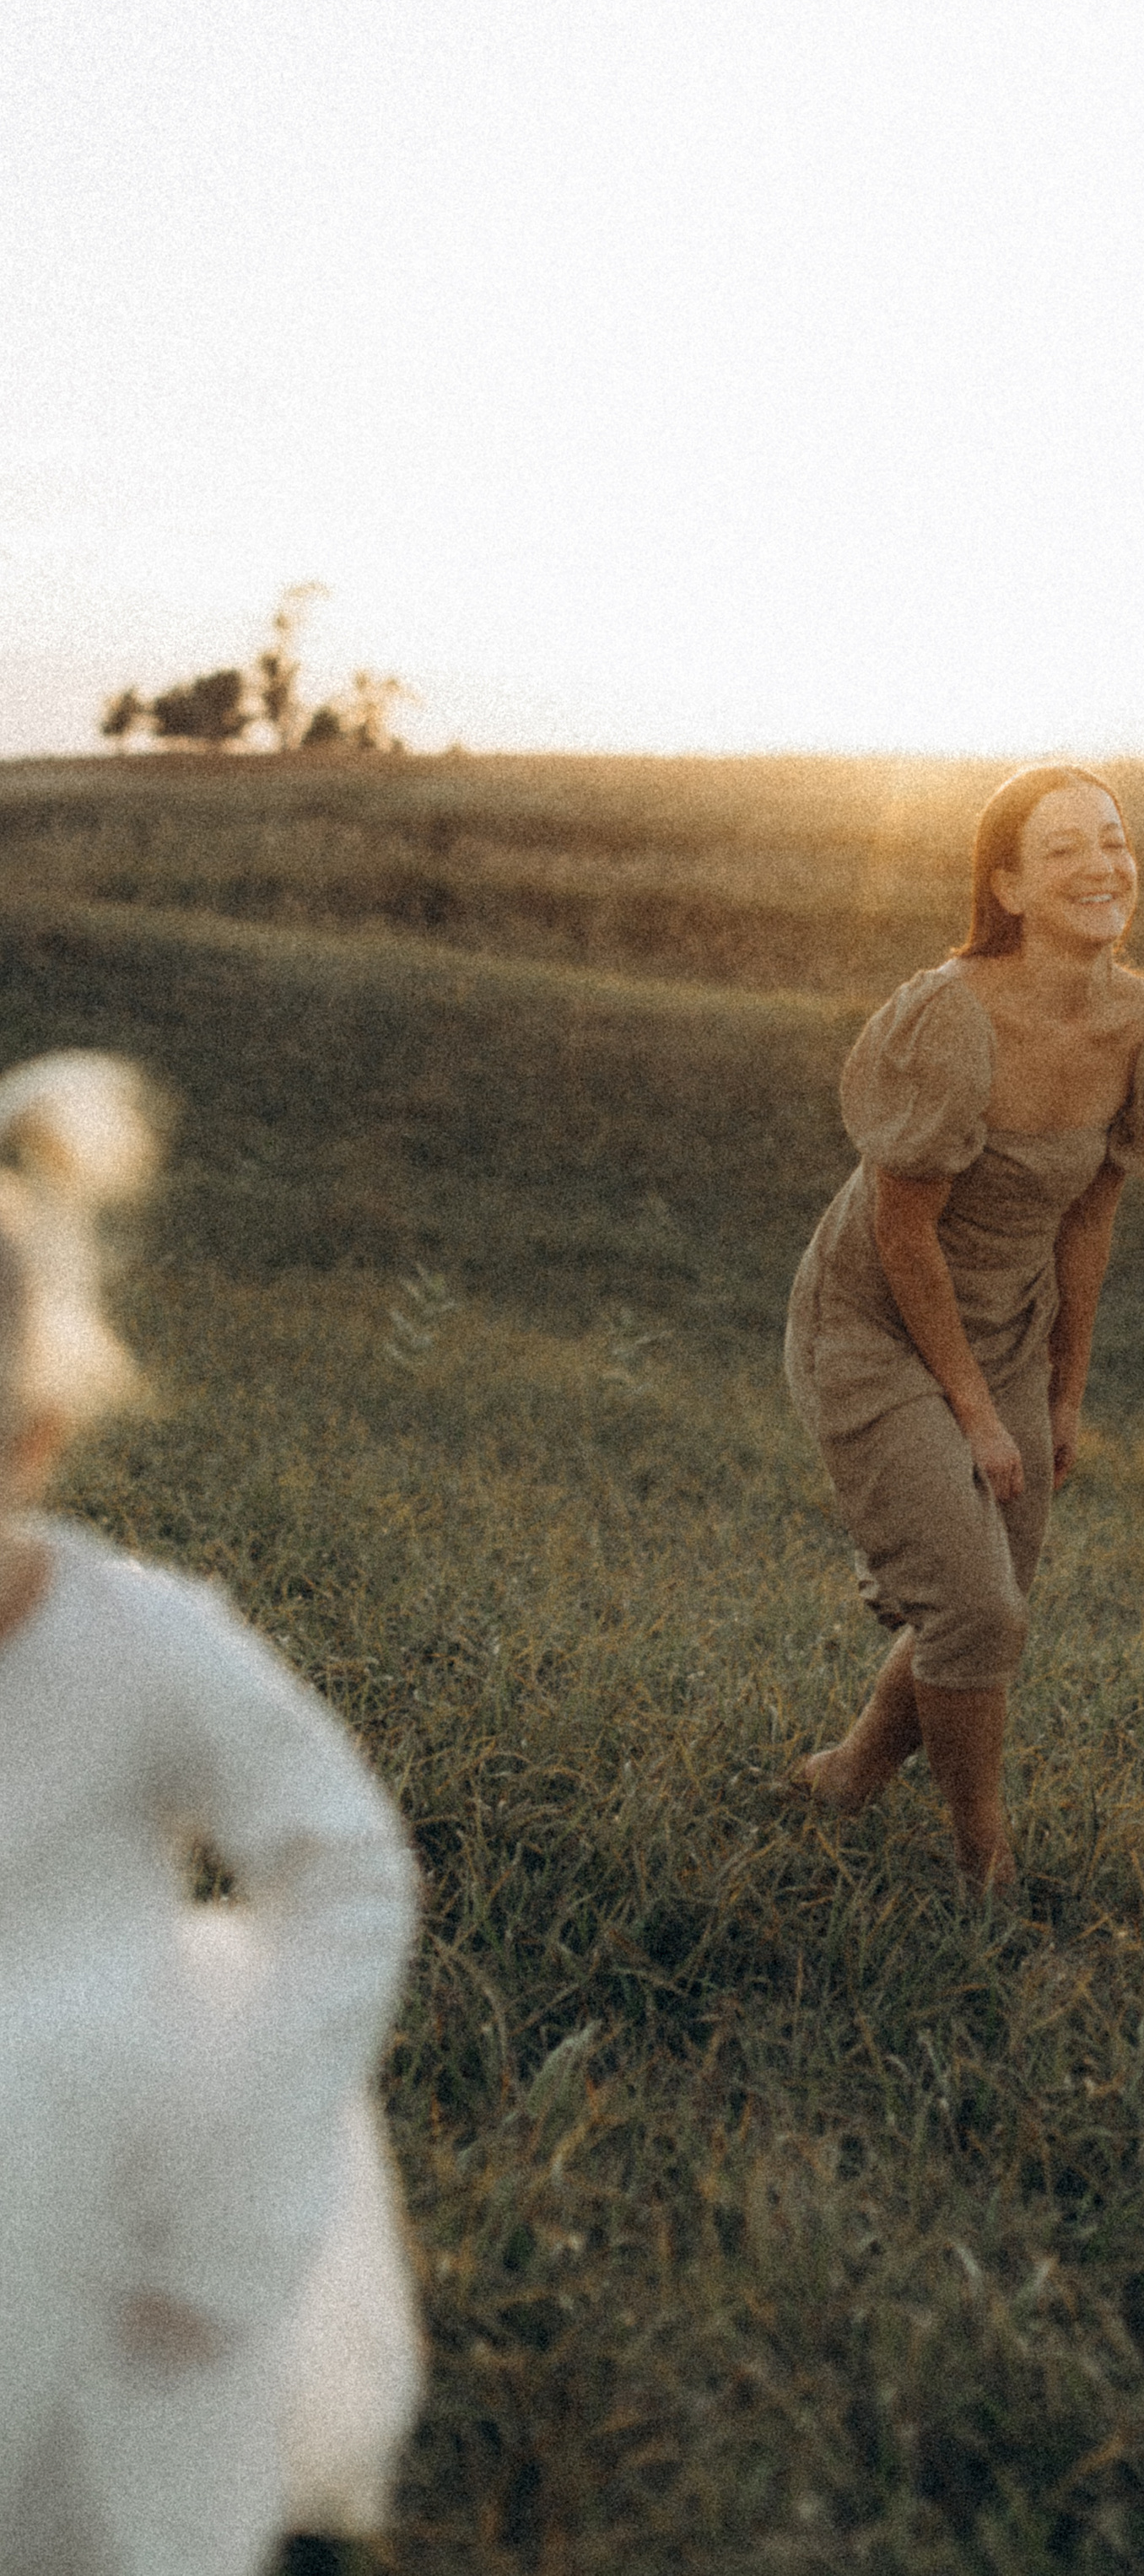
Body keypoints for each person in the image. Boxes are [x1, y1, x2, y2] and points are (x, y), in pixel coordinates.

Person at [0, 1051, 423, 2575]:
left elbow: (349, 1868)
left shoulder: (140, 1645)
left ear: (32, 1442)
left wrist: (242, 2171)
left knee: (118, 2506)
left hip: (107, 2159)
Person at [785, 765, 1144, 1891]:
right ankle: (986, 1864)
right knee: (972, 1608)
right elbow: (901, 1231)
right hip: (876, 1321)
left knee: (990, 1604)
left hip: (1013, 1327)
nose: (1100, 865)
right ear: (1009, 885)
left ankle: (850, 1773)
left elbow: (1089, 1222)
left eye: (1112, 840)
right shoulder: (949, 1017)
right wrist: (975, 1416)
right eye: (1063, 848)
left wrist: (1062, 1395)